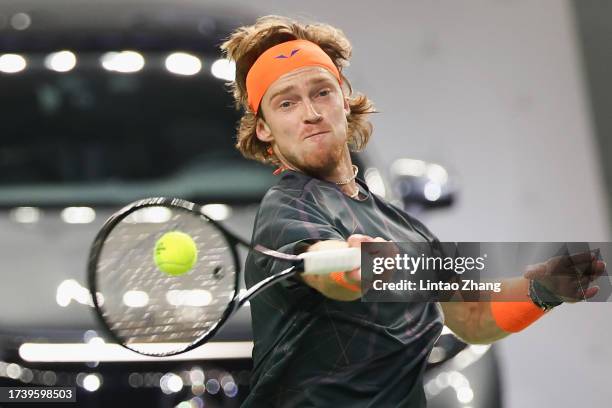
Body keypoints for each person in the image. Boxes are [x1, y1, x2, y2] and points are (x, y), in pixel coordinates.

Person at [220, 15, 605, 407]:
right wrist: (352, 265)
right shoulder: (286, 206)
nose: (310, 112)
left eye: (321, 92)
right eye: (287, 103)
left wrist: (542, 290)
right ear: (264, 128)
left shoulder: (404, 229)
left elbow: (471, 315)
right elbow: (325, 268)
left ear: (343, 98)